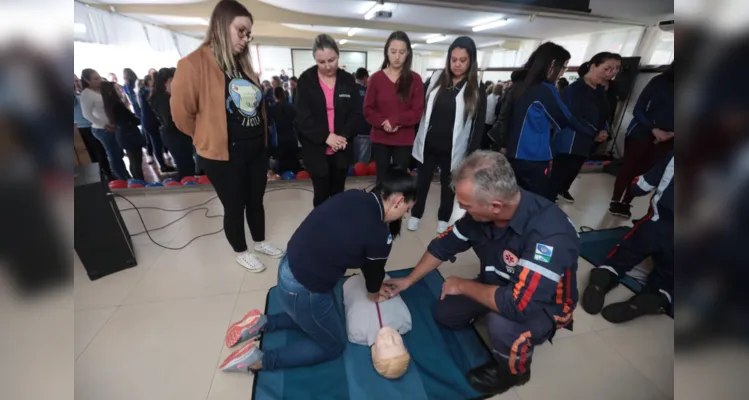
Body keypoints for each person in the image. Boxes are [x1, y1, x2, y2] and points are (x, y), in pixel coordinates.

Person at [382, 151, 578, 395]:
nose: (462, 210)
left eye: (466, 206)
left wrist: (462, 285)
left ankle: (514, 372)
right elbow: (443, 245)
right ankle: (491, 307)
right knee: (445, 314)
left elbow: (519, 305)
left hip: (545, 304)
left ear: (495, 206)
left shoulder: (549, 236)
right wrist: (409, 280)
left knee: (503, 323)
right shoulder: (481, 215)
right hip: (498, 283)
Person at [219, 168, 418, 373]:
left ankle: (263, 323)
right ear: (398, 200)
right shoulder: (379, 234)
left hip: (289, 265)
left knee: (323, 316)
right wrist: (375, 293)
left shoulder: (354, 195)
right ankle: (259, 360)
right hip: (303, 288)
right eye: (408, 209)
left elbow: (363, 259)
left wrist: (373, 284)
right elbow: (374, 273)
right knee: (333, 345)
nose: (406, 214)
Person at [170, 0, 283, 271]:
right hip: (222, 153)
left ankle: (259, 241)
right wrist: (206, 137)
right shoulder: (193, 64)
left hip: (255, 149)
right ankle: (240, 250)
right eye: (241, 31)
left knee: (256, 201)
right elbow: (181, 115)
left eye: (248, 34)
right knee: (235, 205)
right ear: (222, 26)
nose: (245, 39)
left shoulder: (241, 65)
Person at [582, 153, 673, 323]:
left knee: (619, 258)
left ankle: (603, 278)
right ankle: (654, 296)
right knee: (668, 279)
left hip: (654, 225)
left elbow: (639, 188)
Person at [409, 36, 485, 234]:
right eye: (454, 59)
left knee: (448, 186)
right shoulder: (436, 79)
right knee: (422, 182)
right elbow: (420, 109)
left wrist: (471, 155)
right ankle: (416, 214)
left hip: (454, 149)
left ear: (471, 62)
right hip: (428, 144)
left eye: (463, 60)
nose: (457, 64)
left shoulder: (476, 88)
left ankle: (443, 218)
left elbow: (478, 127)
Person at [504, 42, 598, 200]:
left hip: (512, 152)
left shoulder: (518, 85)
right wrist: (592, 133)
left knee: (511, 198)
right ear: (553, 65)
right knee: (535, 200)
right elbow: (563, 118)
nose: (562, 73)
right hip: (534, 156)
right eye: (563, 68)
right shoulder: (545, 89)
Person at [295, 34, 361, 207]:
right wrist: (326, 137)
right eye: (321, 62)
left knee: (339, 194)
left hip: (341, 147)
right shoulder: (306, 81)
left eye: (331, 60)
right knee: (321, 194)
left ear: (338, 56)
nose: (327, 66)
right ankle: (321, 228)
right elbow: (302, 117)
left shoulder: (347, 80)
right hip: (317, 150)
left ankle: (337, 226)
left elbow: (355, 113)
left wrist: (342, 137)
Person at [609, 62, 674, 218]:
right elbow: (639, 109)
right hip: (642, 131)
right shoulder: (659, 81)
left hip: (668, 137)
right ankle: (616, 200)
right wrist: (654, 129)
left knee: (644, 172)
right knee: (629, 167)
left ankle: (626, 202)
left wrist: (672, 133)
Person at [549, 52, 617, 203]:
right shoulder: (575, 89)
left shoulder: (600, 89)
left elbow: (604, 113)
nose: (612, 73)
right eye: (608, 68)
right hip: (571, 139)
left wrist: (604, 129)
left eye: (616, 69)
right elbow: (572, 116)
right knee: (561, 170)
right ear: (593, 66)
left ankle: (562, 189)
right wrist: (594, 133)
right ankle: (550, 197)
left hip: (589, 139)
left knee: (574, 168)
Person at [364, 31, 425, 183]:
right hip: (380, 138)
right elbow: (368, 109)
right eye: (393, 52)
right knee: (381, 181)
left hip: (403, 140)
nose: (397, 57)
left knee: (400, 182)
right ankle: (380, 207)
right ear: (387, 52)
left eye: (402, 52)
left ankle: (399, 207)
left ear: (408, 54)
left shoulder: (415, 79)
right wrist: (383, 123)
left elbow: (417, 112)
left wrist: (396, 120)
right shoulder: (376, 79)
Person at [80, 68, 132, 181]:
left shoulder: (103, 89)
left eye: (99, 77)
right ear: (87, 81)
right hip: (102, 129)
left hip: (114, 125)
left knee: (119, 152)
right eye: (95, 79)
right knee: (114, 154)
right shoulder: (86, 94)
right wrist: (104, 125)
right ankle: (124, 178)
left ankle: (125, 175)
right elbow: (87, 114)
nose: (99, 80)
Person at [149, 68, 196, 180]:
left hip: (178, 134)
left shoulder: (167, 96)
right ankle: (187, 188)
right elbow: (170, 121)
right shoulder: (161, 98)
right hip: (175, 135)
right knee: (185, 166)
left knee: (187, 164)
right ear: (167, 81)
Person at [100, 81, 145, 181]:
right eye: (117, 89)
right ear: (111, 92)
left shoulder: (110, 105)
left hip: (124, 135)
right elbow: (130, 121)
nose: (120, 91)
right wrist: (135, 118)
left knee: (133, 160)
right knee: (136, 161)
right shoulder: (117, 106)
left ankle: (138, 181)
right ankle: (140, 182)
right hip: (129, 135)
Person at [75, 74, 114, 181]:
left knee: (101, 152)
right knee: (95, 154)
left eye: (77, 80)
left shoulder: (82, 94)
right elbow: (86, 114)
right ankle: (102, 177)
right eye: (74, 81)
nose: (76, 83)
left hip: (93, 126)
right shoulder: (82, 95)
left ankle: (108, 174)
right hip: (83, 128)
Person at [138, 74, 174, 173]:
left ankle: (163, 162)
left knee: (158, 142)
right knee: (156, 143)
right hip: (150, 122)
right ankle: (162, 165)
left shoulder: (148, 93)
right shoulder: (146, 93)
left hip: (152, 121)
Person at [487, 69, 526, 153]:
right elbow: (504, 117)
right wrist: (503, 144)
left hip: (500, 133)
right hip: (504, 136)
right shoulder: (513, 93)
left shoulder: (508, 92)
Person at [269, 86, 299, 173]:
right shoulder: (291, 107)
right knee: (293, 161)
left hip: (279, 139)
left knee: (281, 165)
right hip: (292, 137)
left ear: (274, 96)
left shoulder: (272, 108)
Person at [353, 67, 372, 164]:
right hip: (364, 129)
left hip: (352, 131)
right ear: (365, 77)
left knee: (354, 158)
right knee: (362, 163)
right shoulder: (365, 92)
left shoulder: (349, 88)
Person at [483, 83, 503, 149]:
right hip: (492, 120)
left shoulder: (489, 96)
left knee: (484, 135)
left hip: (486, 119)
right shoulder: (499, 99)